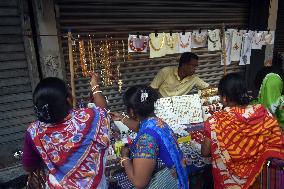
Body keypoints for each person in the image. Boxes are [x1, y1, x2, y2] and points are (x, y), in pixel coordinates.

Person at [22, 74, 110, 188]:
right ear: (68, 99)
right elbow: (103, 110)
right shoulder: (89, 117)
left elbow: (28, 166)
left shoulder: (33, 132)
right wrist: (94, 85)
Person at [201, 73, 284, 189]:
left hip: (227, 183)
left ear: (224, 98)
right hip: (257, 179)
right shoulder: (264, 114)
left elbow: (205, 152)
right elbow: (277, 141)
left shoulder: (216, 121)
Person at [110, 85, 188, 189]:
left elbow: (139, 182)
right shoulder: (158, 123)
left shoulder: (145, 140)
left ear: (132, 111)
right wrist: (121, 118)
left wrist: (124, 158)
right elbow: (142, 127)